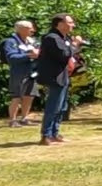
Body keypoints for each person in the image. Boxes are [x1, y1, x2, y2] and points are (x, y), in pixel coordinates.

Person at [35, 13, 83, 145]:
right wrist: (75, 44)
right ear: (60, 24)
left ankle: (54, 134)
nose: (73, 25)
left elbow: (69, 53)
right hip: (54, 76)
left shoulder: (64, 38)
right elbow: (64, 54)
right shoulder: (51, 38)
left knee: (62, 107)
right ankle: (45, 135)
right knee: (53, 106)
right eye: (70, 22)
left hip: (63, 75)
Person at [3, 20, 40, 127]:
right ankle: (12, 120)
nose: (33, 30)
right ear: (21, 29)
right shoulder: (11, 42)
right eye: (29, 28)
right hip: (18, 73)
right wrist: (28, 55)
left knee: (29, 96)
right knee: (17, 97)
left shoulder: (31, 41)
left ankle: (24, 118)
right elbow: (11, 57)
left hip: (32, 72)